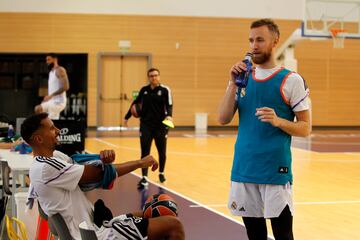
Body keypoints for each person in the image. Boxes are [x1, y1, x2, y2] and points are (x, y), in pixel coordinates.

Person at [21, 113, 184, 240]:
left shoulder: (53, 157)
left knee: (149, 213)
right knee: (173, 225)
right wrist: (140, 163)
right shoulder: (45, 167)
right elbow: (98, 174)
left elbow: (83, 167)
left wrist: (99, 159)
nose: (57, 131)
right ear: (38, 138)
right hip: (93, 235)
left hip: (96, 225)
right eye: (51, 128)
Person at [218, 19, 311, 240]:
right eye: (251, 40)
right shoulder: (242, 78)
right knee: (254, 235)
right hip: (244, 169)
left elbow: (305, 128)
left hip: (275, 171)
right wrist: (232, 83)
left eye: (260, 39)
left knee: (283, 234)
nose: (254, 45)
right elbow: (222, 118)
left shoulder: (291, 80)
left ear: (275, 41)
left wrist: (279, 121)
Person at [124, 68, 173, 189]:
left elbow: (169, 105)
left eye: (156, 75)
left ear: (159, 76)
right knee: (145, 151)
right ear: (149, 77)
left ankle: (161, 172)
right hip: (146, 125)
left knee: (162, 151)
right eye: (151, 76)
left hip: (161, 125)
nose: (154, 77)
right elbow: (135, 103)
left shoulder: (165, 90)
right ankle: (145, 177)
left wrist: (169, 116)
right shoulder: (144, 90)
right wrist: (127, 117)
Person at [34, 53, 69, 120]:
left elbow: (66, 87)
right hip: (52, 100)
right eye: (46, 60)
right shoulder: (51, 72)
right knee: (51, 120)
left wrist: (51, 95)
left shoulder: (60, 70)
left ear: (55, 59)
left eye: (49, 60)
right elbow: (54, 88)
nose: (47, 62)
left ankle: (42, 128)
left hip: (59, 102)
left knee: (38, 108)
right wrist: (48, 97)